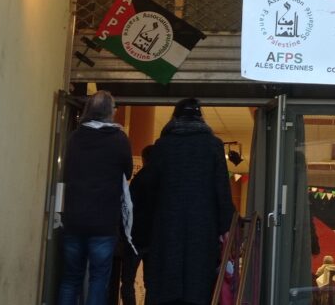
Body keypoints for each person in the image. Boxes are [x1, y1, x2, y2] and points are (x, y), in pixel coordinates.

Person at [143, 98, 235, 305]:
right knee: (198, 285)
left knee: (168, 286)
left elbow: (150, 188)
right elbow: (222, 188)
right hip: (203, 227)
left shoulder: (163, 146)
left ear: (174, 117)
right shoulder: (213, 145)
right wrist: (226, 226)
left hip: (167, 226)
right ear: (201, 117)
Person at [57, 91, 133, 305]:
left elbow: (66, 170)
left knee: (70, 278)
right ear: (110, 112)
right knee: (99, 279)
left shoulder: (74, 137)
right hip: (103, 222)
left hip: (74, 219)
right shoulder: (119, 139)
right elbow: (128, 172)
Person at [116, 144, 155, 305]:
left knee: (127, 280)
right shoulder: (162, 180)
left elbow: (128, 208)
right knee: (151, 282)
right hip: (154, 238)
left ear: (144, 159)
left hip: (135, 238)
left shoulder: (139, 179)